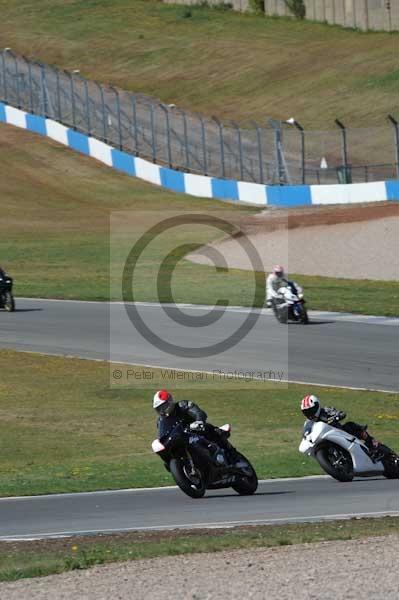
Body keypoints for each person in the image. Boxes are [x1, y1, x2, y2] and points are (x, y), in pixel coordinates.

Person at [153, 390, 239, 465]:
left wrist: (198, 421)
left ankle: (232, 453)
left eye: (163, 407)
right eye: (159, 409)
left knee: (209, 429)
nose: (162, 410)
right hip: (180, 438)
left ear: (170, 401)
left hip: (196, 430)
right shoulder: (161, 421)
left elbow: (198, 412)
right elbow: (163, 434)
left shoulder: (182, 405)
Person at [300, 394, 385, 462]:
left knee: (350, 425)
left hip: (340, 432)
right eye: (306, 412)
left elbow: (341, 413)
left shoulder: (326, 410)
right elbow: (306, 433)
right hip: (325, 439)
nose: (309, 413)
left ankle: (372, 443)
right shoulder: (308, 423)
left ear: (317, 406)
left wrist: (336, 417)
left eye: (311, 410)